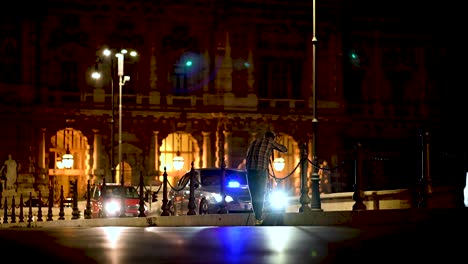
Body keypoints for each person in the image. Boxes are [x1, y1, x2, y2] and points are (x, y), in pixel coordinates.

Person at [245, 131, 287, 225]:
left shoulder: (254, 141)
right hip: (260, 170)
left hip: (249, 170)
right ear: (272, 138)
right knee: (260, 193)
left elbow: (248, 155)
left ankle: (257, 217)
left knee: (254, 193)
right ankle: (258, 218)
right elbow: (284, 149)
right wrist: (275, 145)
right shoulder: (270, 141)